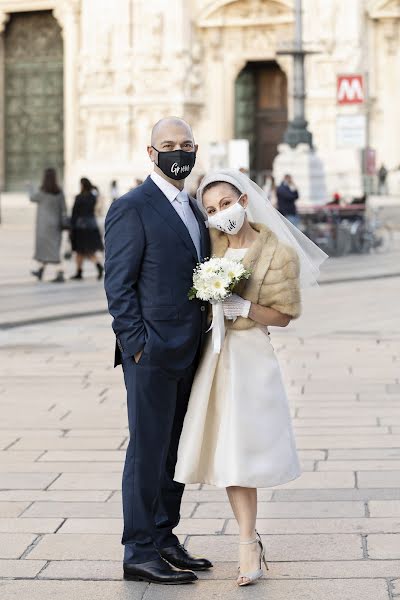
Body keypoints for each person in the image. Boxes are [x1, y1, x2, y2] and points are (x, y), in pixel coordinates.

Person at [175, 169, 328, 587]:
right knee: (228, 453)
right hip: (215, 358)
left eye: (225, 204)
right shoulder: (214, 246)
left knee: (246, 449)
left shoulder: (278, 252)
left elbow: (284, 315)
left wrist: (243, 308)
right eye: (210, 210)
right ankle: (248, 541)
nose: (219, 214)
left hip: (251, 359)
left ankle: (246, 543)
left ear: (244, 201)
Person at [104, 117, 212, 585]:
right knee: (147, 451)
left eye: (186, 145)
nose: (179, 152)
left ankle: (165, 537)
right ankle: (139, 549)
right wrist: (138, 346)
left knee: (175, 449)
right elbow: (118, 284)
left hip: (191, 350)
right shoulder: (132, 206)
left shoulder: (193, 207)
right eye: (168, 145)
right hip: (150, 353)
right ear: (151, 153)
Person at [29, 167, 67, 283]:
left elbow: (31, 198)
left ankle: (60, 272)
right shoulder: (59, 192)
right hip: (55, 225)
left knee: (49, 250)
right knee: (51, 248)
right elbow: (64, 208)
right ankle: (40, 270)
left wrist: (29, 187)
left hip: (43, 226)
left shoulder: (42, 192)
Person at [69, 178, 104, 280]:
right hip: (92, 225)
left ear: (82, 185)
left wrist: (71, 226)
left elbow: (74, 213)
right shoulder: (93, 197)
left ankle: (79, 272)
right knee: (89, 250)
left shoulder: (79, 197)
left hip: (80, 227)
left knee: (80, 250)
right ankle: (95, 267)